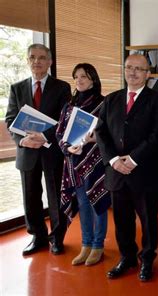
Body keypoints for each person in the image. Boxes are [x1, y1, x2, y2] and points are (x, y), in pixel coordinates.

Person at [95, 54, 158, 281]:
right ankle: (127, 257)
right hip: (116, 172)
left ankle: (147, 259)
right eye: (129, 67)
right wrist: (114, 160)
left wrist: (133, 159)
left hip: (144, 172)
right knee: (122, 220)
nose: (132, 72)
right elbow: (101, 132)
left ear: (148, 73)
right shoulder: (111, 99)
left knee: (148, 221)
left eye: (139, 68)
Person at [5, 44, 71, 256]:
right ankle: (38, 237)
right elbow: (10, 119)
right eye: (32, 57)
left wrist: (44, 136)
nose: (37, 61)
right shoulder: (17, 88)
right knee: (31, 197)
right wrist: (22, 141)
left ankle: (57, 238)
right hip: (28, 151)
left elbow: (64, 120)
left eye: (42, 58)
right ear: (27, 61)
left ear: (50, 61)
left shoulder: (61, 88)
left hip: (52, 151)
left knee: (55, 197)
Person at [55, 63, 111, 266]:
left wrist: (93, 139)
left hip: (95, 165)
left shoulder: (104, 104)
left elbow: (109, 134)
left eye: (84, 77)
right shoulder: (69, 105)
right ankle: (86, 244)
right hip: (73, 164)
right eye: (76, 77)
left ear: (93, 80)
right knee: (84, 205)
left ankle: (98, 246)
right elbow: (59, 133)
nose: (79, 80)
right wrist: (67, 148)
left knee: (98, 204)